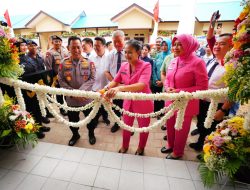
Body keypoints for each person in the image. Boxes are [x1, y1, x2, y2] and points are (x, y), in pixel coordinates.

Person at [189, 12, 234, 152]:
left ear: (231, 48)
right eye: (217, 44)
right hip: (203, 100)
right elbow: (210, 37)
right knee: (202, 123)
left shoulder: (232, 67)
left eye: (222, 44)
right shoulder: (214, 59)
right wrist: (212, 23)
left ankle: (207, 149)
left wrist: (223, 109)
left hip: (217, 103)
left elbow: (233, 91)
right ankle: (201, 142)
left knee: (212, 127)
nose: (216, 46)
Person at [161, 34, 208, 159]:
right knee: (170, 125)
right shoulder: (174, 60)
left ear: (189, 45)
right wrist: (168, 87)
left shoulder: (198, 62)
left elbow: (202, 87)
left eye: (180, 44)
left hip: (186, 104)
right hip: (170, 101)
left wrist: (179, 91)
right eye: (175, 44)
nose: (176, 47)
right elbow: (167, 79)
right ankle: (170, 145)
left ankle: (178, 152)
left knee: (181, 128)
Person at [104, 39, 153, 155]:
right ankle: (124, 146)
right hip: (128, 103)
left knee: (143, 128)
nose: (127, 55)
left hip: (143, 103)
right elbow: (115, 81)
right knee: (126, 127)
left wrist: (120, 88)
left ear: (139, 52)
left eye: (130, 52)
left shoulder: (146, 66)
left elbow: (142, 85)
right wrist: (105, 89)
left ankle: (141, 147)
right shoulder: (124, 66)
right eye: (125, 52)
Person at [58, 36, 99, 146]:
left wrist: (80, 92)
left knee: (91, 120)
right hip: (71, 100)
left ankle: (91, 133)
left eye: (78, 47)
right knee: (73, 121)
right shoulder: (63, 63)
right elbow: (61, 80)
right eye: (73, 47)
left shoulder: (89, 63)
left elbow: (92, 78)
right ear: (68, 48)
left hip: (86, 99)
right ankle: (75, 135)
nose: (76, 50)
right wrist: (73, 93)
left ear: (82, 47)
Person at [20, 40, 52, 139]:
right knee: (31, 108)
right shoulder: (17, 59)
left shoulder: (26, 57)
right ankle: (35, 129)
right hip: (26, 88)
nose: (25, 47)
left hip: (34, 86)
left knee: (37, 106)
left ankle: (39, 125)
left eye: (25, 45)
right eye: (22, 45)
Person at [105, 30, 127, 133]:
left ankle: (128, 126)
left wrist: (124, 85)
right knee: (116, 106)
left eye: (119, 41)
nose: (117, 44)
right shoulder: (110, 55)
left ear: (124, 39)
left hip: (127, 87)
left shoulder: (129, 53)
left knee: (127, 107)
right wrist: (116, 83)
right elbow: (106, 72)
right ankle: (117, 123)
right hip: (114, 86)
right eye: (114, 42)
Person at [44, 35, 69, 116]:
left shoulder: (65, 50)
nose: (57, 43)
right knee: (59, 94)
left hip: (66, 77)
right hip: (56, 77)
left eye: (59, 41)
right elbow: (49, 68)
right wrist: (53, 79)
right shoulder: (49, 53)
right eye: (55, 41)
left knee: (67, 93)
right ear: (52, 43)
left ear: (61, 42)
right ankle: (61, 109)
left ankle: (69, 108)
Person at [90, 36, 110, 125]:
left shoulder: (110, 56)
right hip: (95, 87)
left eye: (98, 45)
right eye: (94, 46)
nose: (95, 48)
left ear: (104, 46)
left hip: (106, 87)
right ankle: (96, 119)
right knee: (96, 106)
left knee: (105, 105)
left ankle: (105, 117)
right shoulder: (91, 57)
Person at [152, 39, 172, 118]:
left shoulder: (171, 56)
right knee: (157, 98)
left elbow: (171, 71)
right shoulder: (158, 55)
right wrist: (156, 80)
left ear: (169, 46)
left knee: (165, 99)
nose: (163, 47)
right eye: (162, 45)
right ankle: (157, 113)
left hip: (167, 83)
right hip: (156, 81)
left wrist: (163, 81)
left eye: (166, 45)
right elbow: (154, 69)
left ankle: (164, 115)